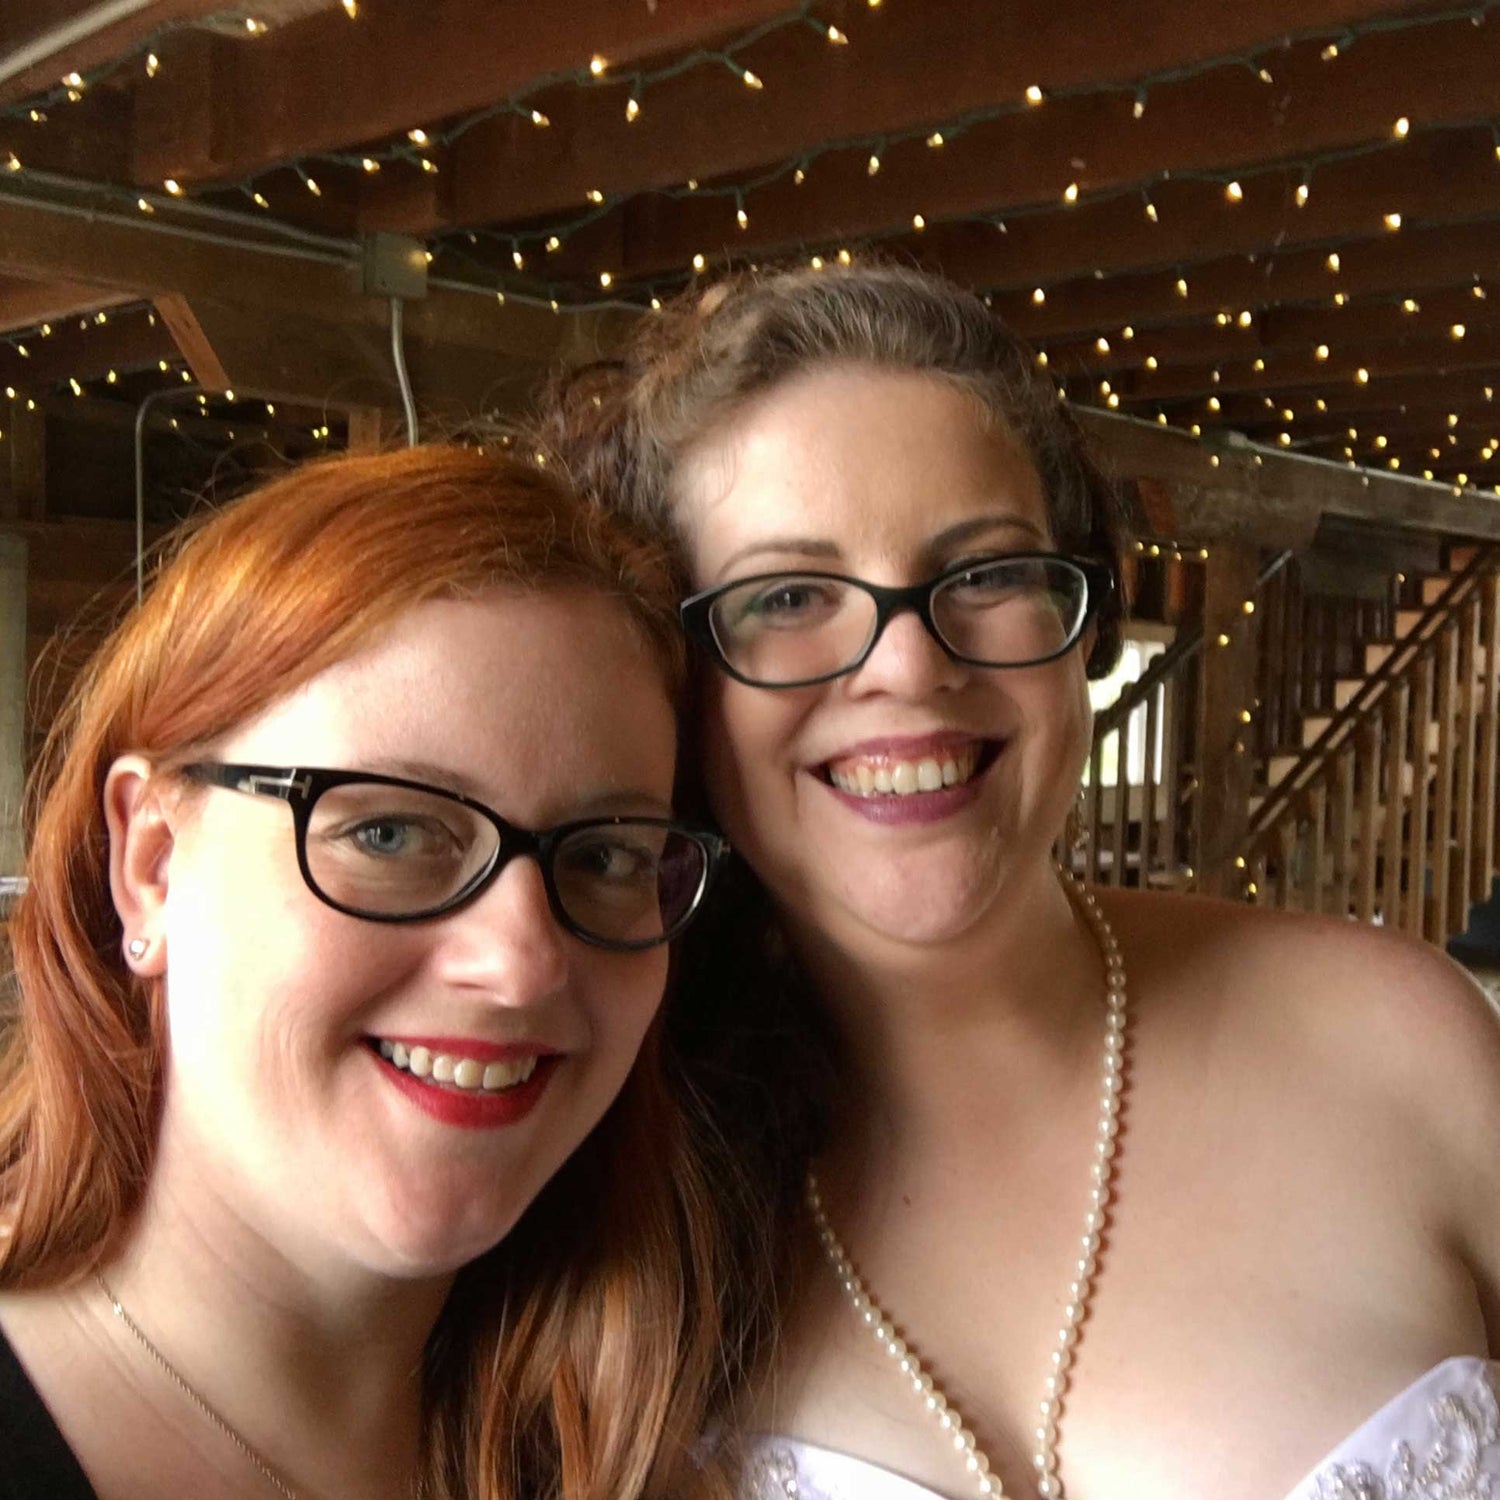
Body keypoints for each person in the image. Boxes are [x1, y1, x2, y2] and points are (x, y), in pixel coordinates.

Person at [537, 265, 1500, 1500]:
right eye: (788, 596)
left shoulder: (1399, 1041)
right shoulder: (610, 1163)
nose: (907, 665)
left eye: (984, 574)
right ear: (680, 675)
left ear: (1083, 619)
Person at [0, 444, 737, 1500]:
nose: (522, 962)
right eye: (390, 832)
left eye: (606, 855)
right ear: (152, 864)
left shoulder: (640, 1455)